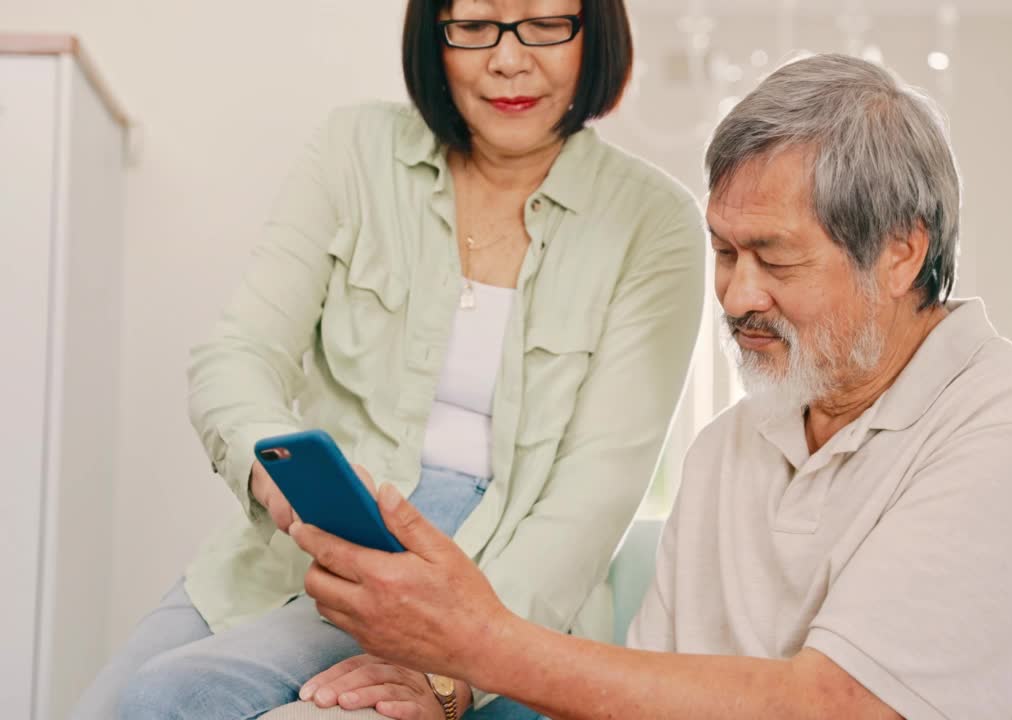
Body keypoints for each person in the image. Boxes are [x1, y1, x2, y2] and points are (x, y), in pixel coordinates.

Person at [279, 54, 1012, 720]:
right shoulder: (731, 447)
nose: (734, 296)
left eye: (775, 258)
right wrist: (446, 677)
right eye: (725, 252)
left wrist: (479, 645)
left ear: (901, 251)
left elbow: (837, 708)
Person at [71, 1, 705, 718]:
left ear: (595, 33)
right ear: (434, 35)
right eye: (473, 25)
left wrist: (464, 661)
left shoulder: (655, 223)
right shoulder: (355, 148)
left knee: (172, 697)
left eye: (545, 22)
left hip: (496, 576)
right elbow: (237, 352)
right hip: (304, 536)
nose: (508, 58)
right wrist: (269, 469)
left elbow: (597, 492)